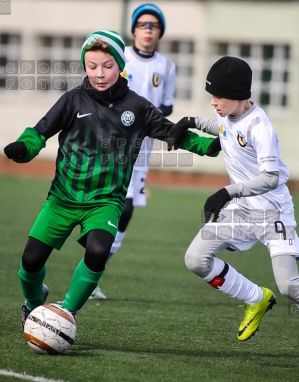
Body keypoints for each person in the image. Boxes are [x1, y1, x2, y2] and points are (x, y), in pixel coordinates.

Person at [3, 30, 220, 330]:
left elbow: (172, 133)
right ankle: (33, 302)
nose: (99, 73)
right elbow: (40, 131)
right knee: (30, 262)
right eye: (91, 66)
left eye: (107, 65)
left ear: (120, 65)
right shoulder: (72, 100)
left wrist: (208, 146)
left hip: (106, 201)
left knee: (97, 251)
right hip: (62, 198)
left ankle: (67, 313)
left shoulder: (138, 106)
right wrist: (23, 148)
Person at [169, 56, 299, 378]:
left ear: (241, 95)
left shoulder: (261, 127)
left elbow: (272, 177)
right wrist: (187, 120)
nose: (213, 102)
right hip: (243, 211)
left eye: (219, 96)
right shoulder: (228, 115)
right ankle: (255, 298)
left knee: (291, 287)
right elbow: (217, 126)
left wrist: (226, 192)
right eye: (210, 96)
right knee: (195, 259)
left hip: (273, 214)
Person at [90, 3, 176, 300]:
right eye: (143, 25)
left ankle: (93, 274)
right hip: (109, 142)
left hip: (141, 150)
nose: (148, 30)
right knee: (109, 207)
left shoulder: (167, 66)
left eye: (154, 25)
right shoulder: (120, 56)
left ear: (160, 32)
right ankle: (88, 270)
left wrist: (150, 121)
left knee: (124, 212)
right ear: (134, 29)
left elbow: (166, 106)